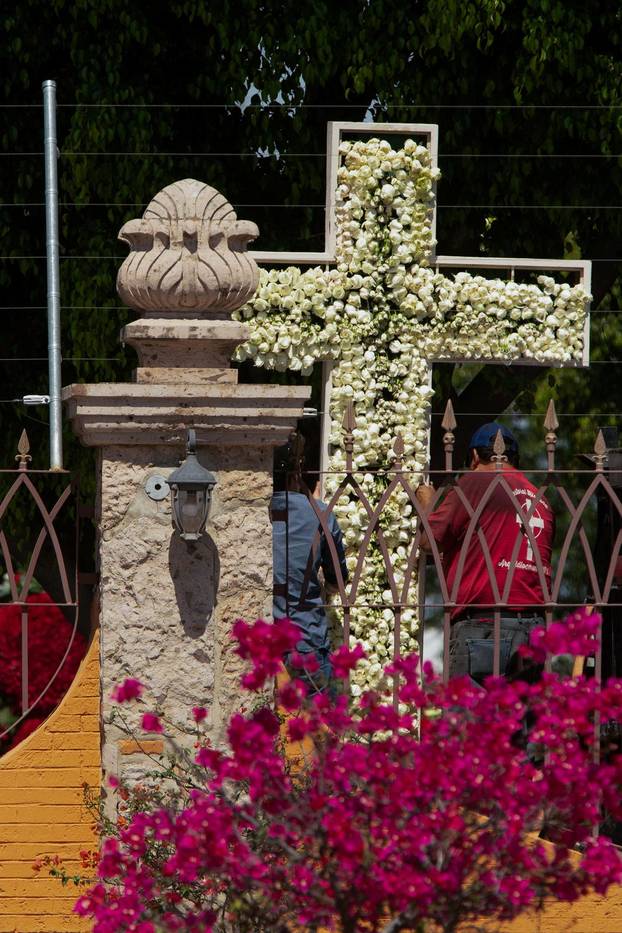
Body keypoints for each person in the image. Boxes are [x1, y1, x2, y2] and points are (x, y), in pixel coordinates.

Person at [416, 422, 554, 685]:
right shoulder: (541, 499)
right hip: (533, 627)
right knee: (520, 722)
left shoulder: (476, 482)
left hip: (482, 625)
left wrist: (429, 504)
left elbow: (429, 541)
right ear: (515, 459)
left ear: (475, 457)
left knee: (471, 723)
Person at [271, 432, 348, 696]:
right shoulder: (320, 514)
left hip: (262, 644)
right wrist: (316, 507)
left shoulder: (248, 512)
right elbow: (338, 581)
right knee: (321, 731)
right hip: (306, 642)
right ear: (299, 467)